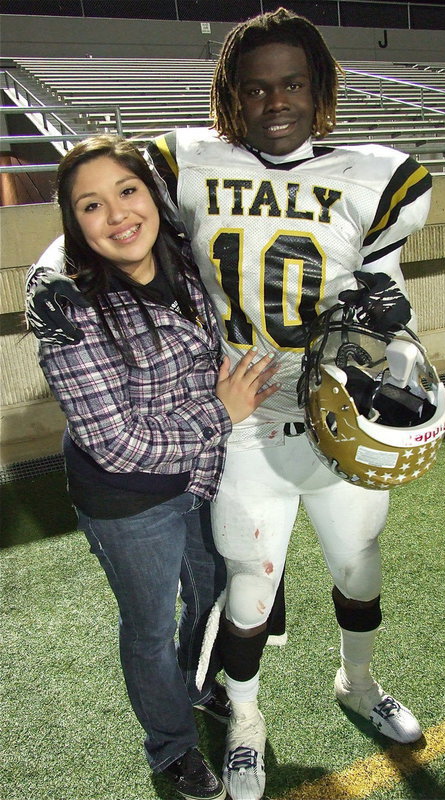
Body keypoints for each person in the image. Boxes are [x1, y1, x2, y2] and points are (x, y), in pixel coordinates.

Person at [25, 8, 433, 800]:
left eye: (291, 84)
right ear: (230, 97)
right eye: (254, 88)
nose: (273, 101)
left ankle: (357, 682)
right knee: (248, 577)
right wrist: (46, 274)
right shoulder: (188, 163)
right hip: (239, 416)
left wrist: (398, 337)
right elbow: (104, 205)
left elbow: (387, 295)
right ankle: (243, 717)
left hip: (330, 409)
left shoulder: (376, 177)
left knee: (357, 563)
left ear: (317, 90)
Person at [29, 133, 279, 800]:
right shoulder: (66, 298)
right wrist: (220, 415)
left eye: (126, 190)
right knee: (148, 625)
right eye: (90, 205)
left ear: (151, 193)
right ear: (72, 221)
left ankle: (197, 684)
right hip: (127, 499)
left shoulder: (187, 250)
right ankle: (169, 748)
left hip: (203, 475)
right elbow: (116, 444)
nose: (116, 215)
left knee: (209, 590)